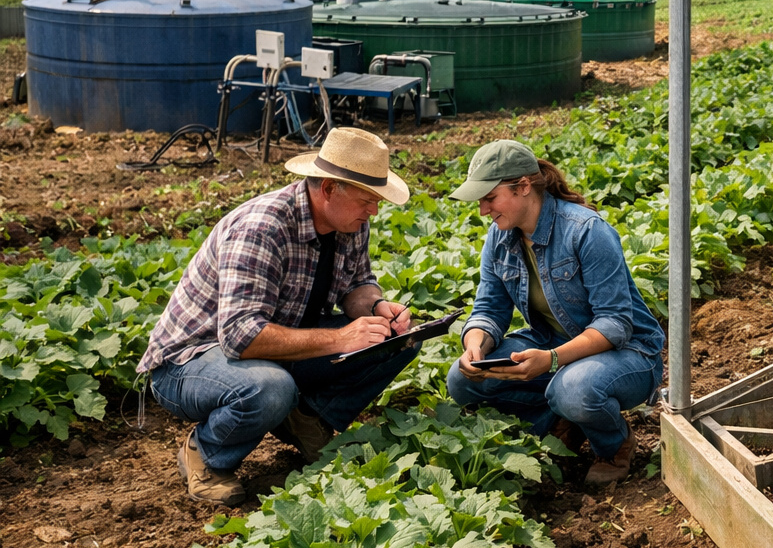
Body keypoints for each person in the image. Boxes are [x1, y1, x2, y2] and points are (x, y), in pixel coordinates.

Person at [137, 127, 418, 505]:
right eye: (367, 200)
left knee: (396, 342)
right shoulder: (262, 228)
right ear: (329, 189)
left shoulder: (350, 224)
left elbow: (358, 284)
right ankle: (206, 452)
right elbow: (239, 336)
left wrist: (376, 308)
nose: (374, 211)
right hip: (191, 361)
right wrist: (341, 338)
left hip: (278, 342)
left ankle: (306, 418)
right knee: (271, 388)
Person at [446, 140, 665, 484]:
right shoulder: (499, 238)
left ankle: (613, 444)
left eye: (490, 198)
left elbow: (615, 323)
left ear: (523, 186)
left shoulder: (586, 230)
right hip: (553, 344)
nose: (484, 210)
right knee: (461, 382)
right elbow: (489, 308)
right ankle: (565, 422)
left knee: (572, 389)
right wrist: (476, 345)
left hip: (629, 353)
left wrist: (551, 360)